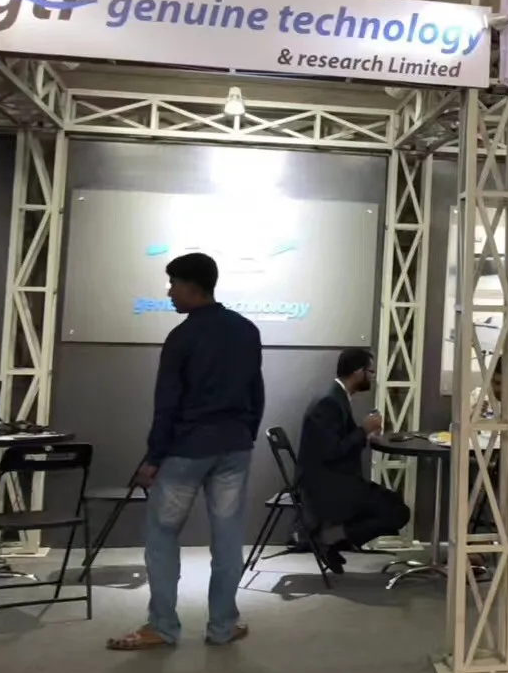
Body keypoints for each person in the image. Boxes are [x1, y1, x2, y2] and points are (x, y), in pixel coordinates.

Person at [107, 252, 265, 651]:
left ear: (192, 286)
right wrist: (244, 434)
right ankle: (223, 626)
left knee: (162, 536)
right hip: (234, 448)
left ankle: (162, 627)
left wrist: (153, 458)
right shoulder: (246, 330)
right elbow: (256, 392)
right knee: (228, 540)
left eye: (173, 283)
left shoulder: (182, 337)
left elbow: (167, 403)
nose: (169, 292)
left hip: (186, 450)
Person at [296, 348, 410, 573]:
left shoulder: (335, 397)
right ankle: (328, 537)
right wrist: (363, 430)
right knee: (397, 511)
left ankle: (332, 538)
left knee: (393, 503)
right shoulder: (329, 402)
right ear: (358, 372)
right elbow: (332, 452)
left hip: (334, 480)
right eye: (371, 371)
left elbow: (335, 444)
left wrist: (363, 434)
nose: (373, 377)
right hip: (325, 487)